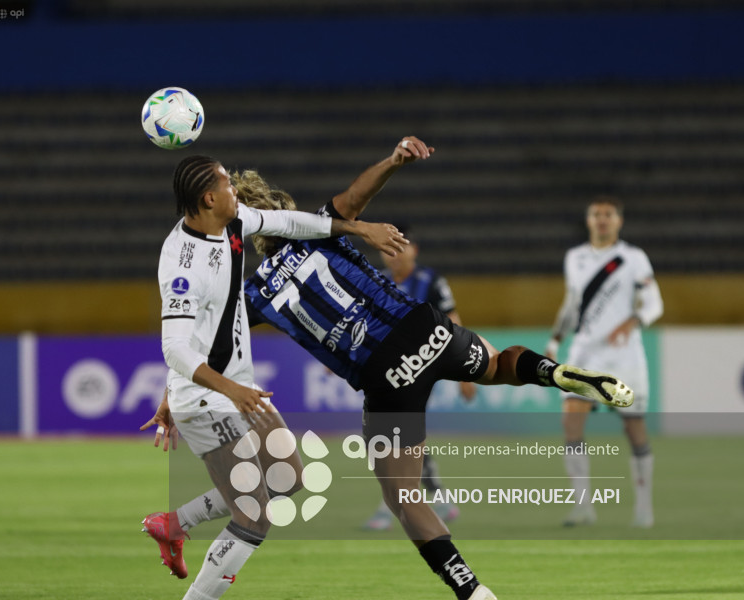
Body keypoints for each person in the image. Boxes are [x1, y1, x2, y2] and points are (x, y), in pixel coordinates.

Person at [147, 138, 633, 600]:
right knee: (501, 363)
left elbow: (208, 333)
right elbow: (355, 196)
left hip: (385, 378)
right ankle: (554, 373)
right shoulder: (320, 228)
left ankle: (471, 588)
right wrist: (395, 160)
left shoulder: (255, 294)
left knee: (403, 498)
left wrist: (175, 390)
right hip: (425, 331)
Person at [142, 153, 410, 599]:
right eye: (227, 184)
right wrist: (221, 390)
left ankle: (174, 524)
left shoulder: (231, 221)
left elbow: (291, 224)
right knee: (254, 513)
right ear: (209, 198)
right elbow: (174, 347)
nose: (236, 189)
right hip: (211, 399)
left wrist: (359, 228)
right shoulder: (181, 269)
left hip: (235, 386)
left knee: (288, 476)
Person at [545, 196, 663, 528]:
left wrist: (633, 322)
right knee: (571, 419)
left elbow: (655, 302)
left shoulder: (633, 258)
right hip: (585, 353)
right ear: (588, 220)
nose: (602, 220)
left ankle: (643, 508)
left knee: (634, 427)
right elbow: (572, 304)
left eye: (608, 215)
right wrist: (555, 338)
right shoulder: (575, 257)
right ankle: (583, 507)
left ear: (618, 221)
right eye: (596, 214)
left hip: (624, 355)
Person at [363, 224, 476, 530]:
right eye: (389, 249)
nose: (395, 256)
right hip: (384, 372)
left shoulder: (431, 281)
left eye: (402, 248)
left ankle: (392, 505)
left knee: (395, 435)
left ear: (415, 250)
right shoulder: (377, 281)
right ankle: (437, 496)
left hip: (420, 368)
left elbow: (453, 322)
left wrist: (466, 372)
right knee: (402, 437)